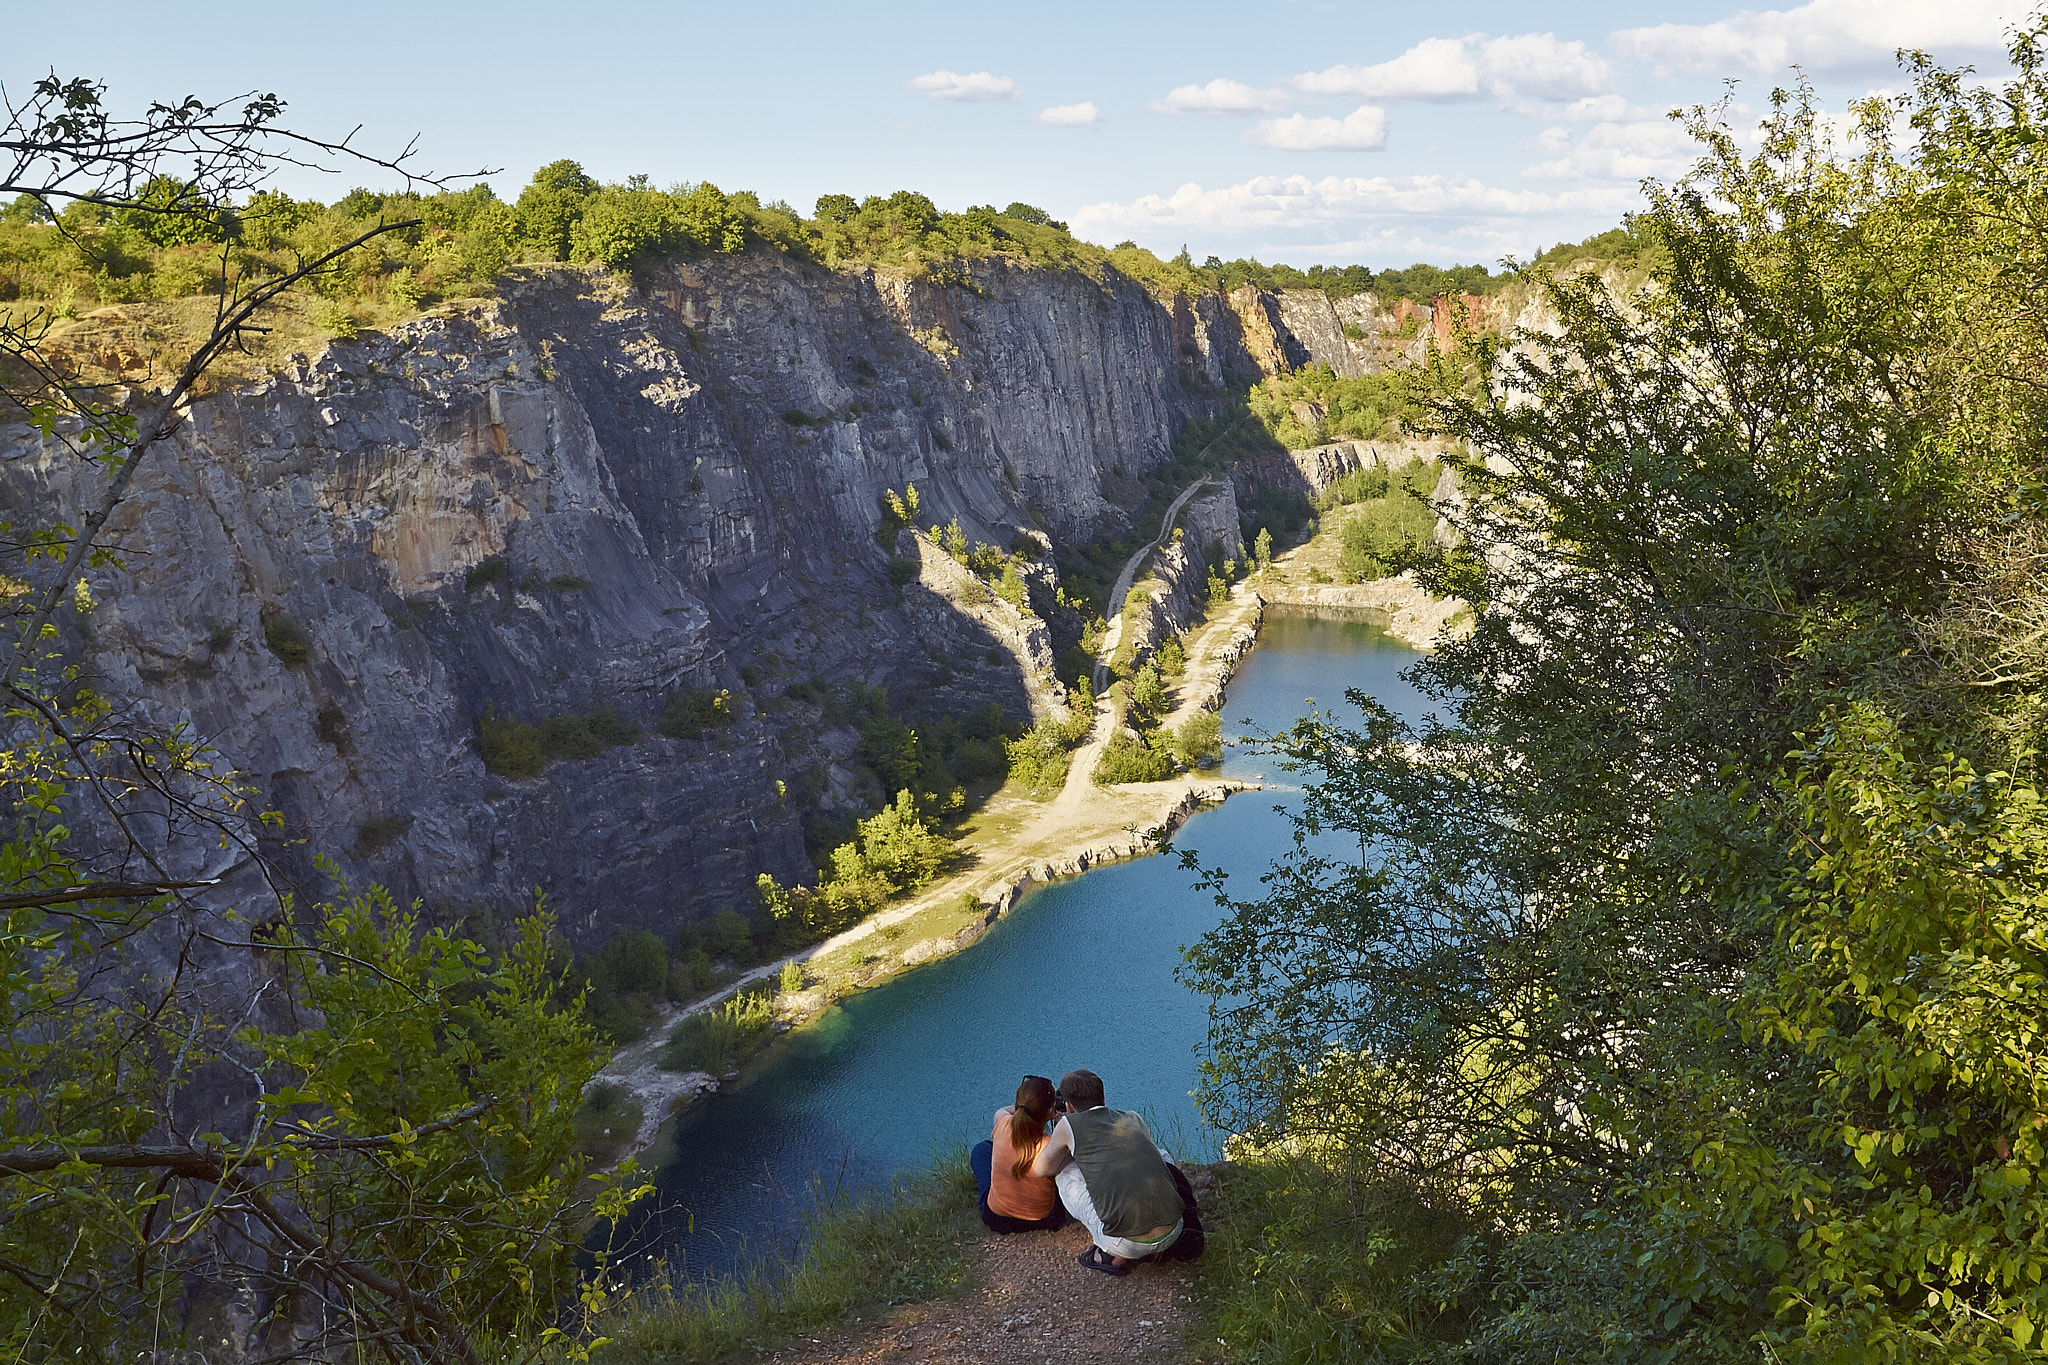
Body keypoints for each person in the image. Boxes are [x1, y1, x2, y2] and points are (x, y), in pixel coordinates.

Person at [1030, 1068, 1183, 1275]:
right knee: (1158, 1153)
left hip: (1125, 1243)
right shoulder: (1132, 1118)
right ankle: (1152, 1245)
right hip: (1174, 1230)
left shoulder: (1068, 1124)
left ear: (1068, 1106)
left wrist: (1064, 1138)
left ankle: (1109, 1253)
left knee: (1063, 1172)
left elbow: (1041, 1169)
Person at [969, 1075, 1070, 1233]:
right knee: (1060, 1169)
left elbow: (1004, 1111)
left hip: (997, 1218)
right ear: (1050, 1111)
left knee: (981, 1150)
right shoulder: (1050, 1145)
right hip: (1041, 1221)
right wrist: (1062, 1125)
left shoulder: (1002, 1123)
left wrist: (1026, 1105)